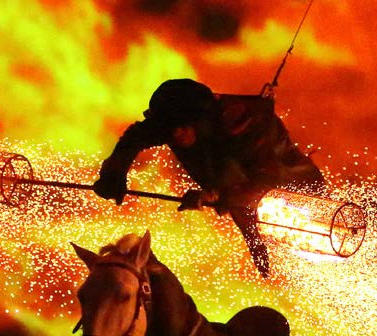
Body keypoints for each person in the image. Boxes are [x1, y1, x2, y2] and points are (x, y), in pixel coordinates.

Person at [93, 79, 324, 277]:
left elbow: (267, 180)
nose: (176, 135)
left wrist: (213, 194)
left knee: (302, 258)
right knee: (266, 266)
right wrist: (114, 172)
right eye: (169, 129)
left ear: (202, 119)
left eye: (183, 127)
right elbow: (134, 139)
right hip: (242, 202)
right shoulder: (172, 124)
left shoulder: (244, 124)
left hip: (299, 196)